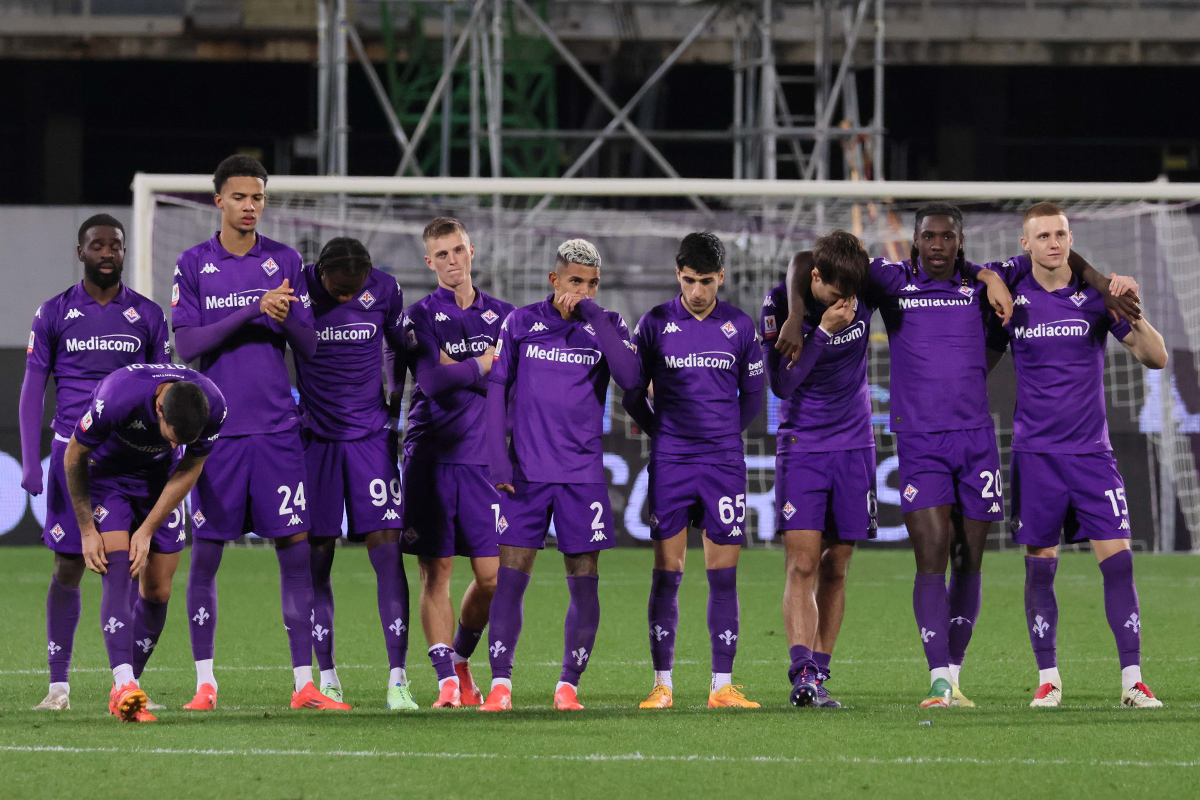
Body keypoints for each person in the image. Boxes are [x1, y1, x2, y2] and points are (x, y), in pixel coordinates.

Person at [777, 204, 1015, 708]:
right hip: (915, 441)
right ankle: (935, 678)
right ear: (913, 240)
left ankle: (954, 675)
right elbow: (806, 259)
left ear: (959, 242)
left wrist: (989, 274)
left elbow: (1041, 266)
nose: (936, 245)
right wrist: (799, 316)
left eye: (946, 238)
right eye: (927, 236)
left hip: (976, 441)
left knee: (968, 560)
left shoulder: (981, 284)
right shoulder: (887, 280)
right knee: (929, 557)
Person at [172, 155, 347, 711]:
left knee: (295, 554)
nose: (251, 206)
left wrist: (287, 314)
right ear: (218, 200)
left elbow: (310, 344)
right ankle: (205, 683)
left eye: (259, 197)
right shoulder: (194, 263)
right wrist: (253, 308)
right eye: (241, 196)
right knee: (207, 557)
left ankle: (303, 685)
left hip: (276, 432)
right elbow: (189, 346)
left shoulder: (285, 260)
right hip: (217, 434)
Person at [985, 202, 1167, 708]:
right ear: (1025, 244)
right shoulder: (1012, 299)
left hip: (1092, 456)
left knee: (1120, 565)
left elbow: (1155, 357)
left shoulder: (1096, 297)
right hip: (1036, 456)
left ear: (1070, 238)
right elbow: (979, 362)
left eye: (1060, 234)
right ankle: (1049, 678)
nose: (1053, 243)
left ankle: (1132, 680)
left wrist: (1133, 306)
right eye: (1042, 235)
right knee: (1040, 568)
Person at [481, 239, 641, 711]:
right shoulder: (521, 323)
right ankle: (501, 685)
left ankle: (568, 685)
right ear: (555, 281)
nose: (584, 290)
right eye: (575, 281)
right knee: (510, 578)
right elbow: (496, 391)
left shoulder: (608, 326)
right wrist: (497, 457)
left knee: (584, 577)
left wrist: (593, 316)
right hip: (526, 475)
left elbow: (631, 379)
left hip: (582, 476)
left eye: (592, 283)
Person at [19, 214, 170, 712]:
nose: (108, 253)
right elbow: (31, 389)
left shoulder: (147, 315)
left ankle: (126, 684)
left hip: (128, 457)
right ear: (80, 252)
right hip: (73, 455)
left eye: (116, 246)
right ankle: (58, 686)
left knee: (123, 570)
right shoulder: (54, 313)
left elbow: (161, 387)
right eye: (98, 245)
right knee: (67, 567)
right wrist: (29, 461)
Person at [622, 232, 765, 709]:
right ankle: (662, 684)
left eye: (706, 281)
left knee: (723, 576)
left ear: (721, 277)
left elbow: (756, 398)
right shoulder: (655, 324)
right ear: (677, 275)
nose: (698, 291)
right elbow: (629, 392)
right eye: (689, 281)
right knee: (668, 572)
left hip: (723, 464)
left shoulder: (740, 328)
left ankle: (721, 686)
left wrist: (724, 435)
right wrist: (661, 431)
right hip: (672, 464)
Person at [64, 364, 225, 722]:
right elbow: (74, 456)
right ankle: (124, 685)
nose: (174, 444)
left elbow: (192, 465)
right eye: (171, 436)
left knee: (157, 591)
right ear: (158, 409)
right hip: (110, 479)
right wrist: (87, 529)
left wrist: (148, 528)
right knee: (118, 569)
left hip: (161, 481)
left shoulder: (213, 403)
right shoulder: (118, 396)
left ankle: (130, 683)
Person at [293, 237, 413, 709]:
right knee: (317, 558)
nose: (346, 297)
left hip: (370, 441)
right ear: (321, 272)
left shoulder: (385, 289)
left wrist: (395, 399)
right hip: (316, 443)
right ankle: (327, 676)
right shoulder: (296, 285)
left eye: (354, 290)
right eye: (339, 290)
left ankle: (398, 678)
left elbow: (401, 344)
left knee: (388, 553)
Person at [401, 217, 515, 708]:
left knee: (492, 576)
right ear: (430, 262)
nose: (451, 261)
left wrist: (459, 367)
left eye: (458, 251)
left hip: (484, 462)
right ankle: (447, 680)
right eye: (441, 255)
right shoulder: (418, 316)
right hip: (431, 457)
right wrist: (484, 366)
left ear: (473, 251)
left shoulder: (507, 317)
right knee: (437, 570)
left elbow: (509, 385)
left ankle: (463, 659)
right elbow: (430, 382)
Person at [760, 231, 872, 709]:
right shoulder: (778, 307)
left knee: (838, 566)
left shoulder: (857, 287)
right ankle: (802, 674)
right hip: (804, 446)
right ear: (814, 279)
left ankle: (821, 674)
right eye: (834, 291)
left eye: (852, 293)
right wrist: (817, 329)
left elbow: (803, 255)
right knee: (802, 562)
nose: (845, 301)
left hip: (856, 446)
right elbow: (783, 386)